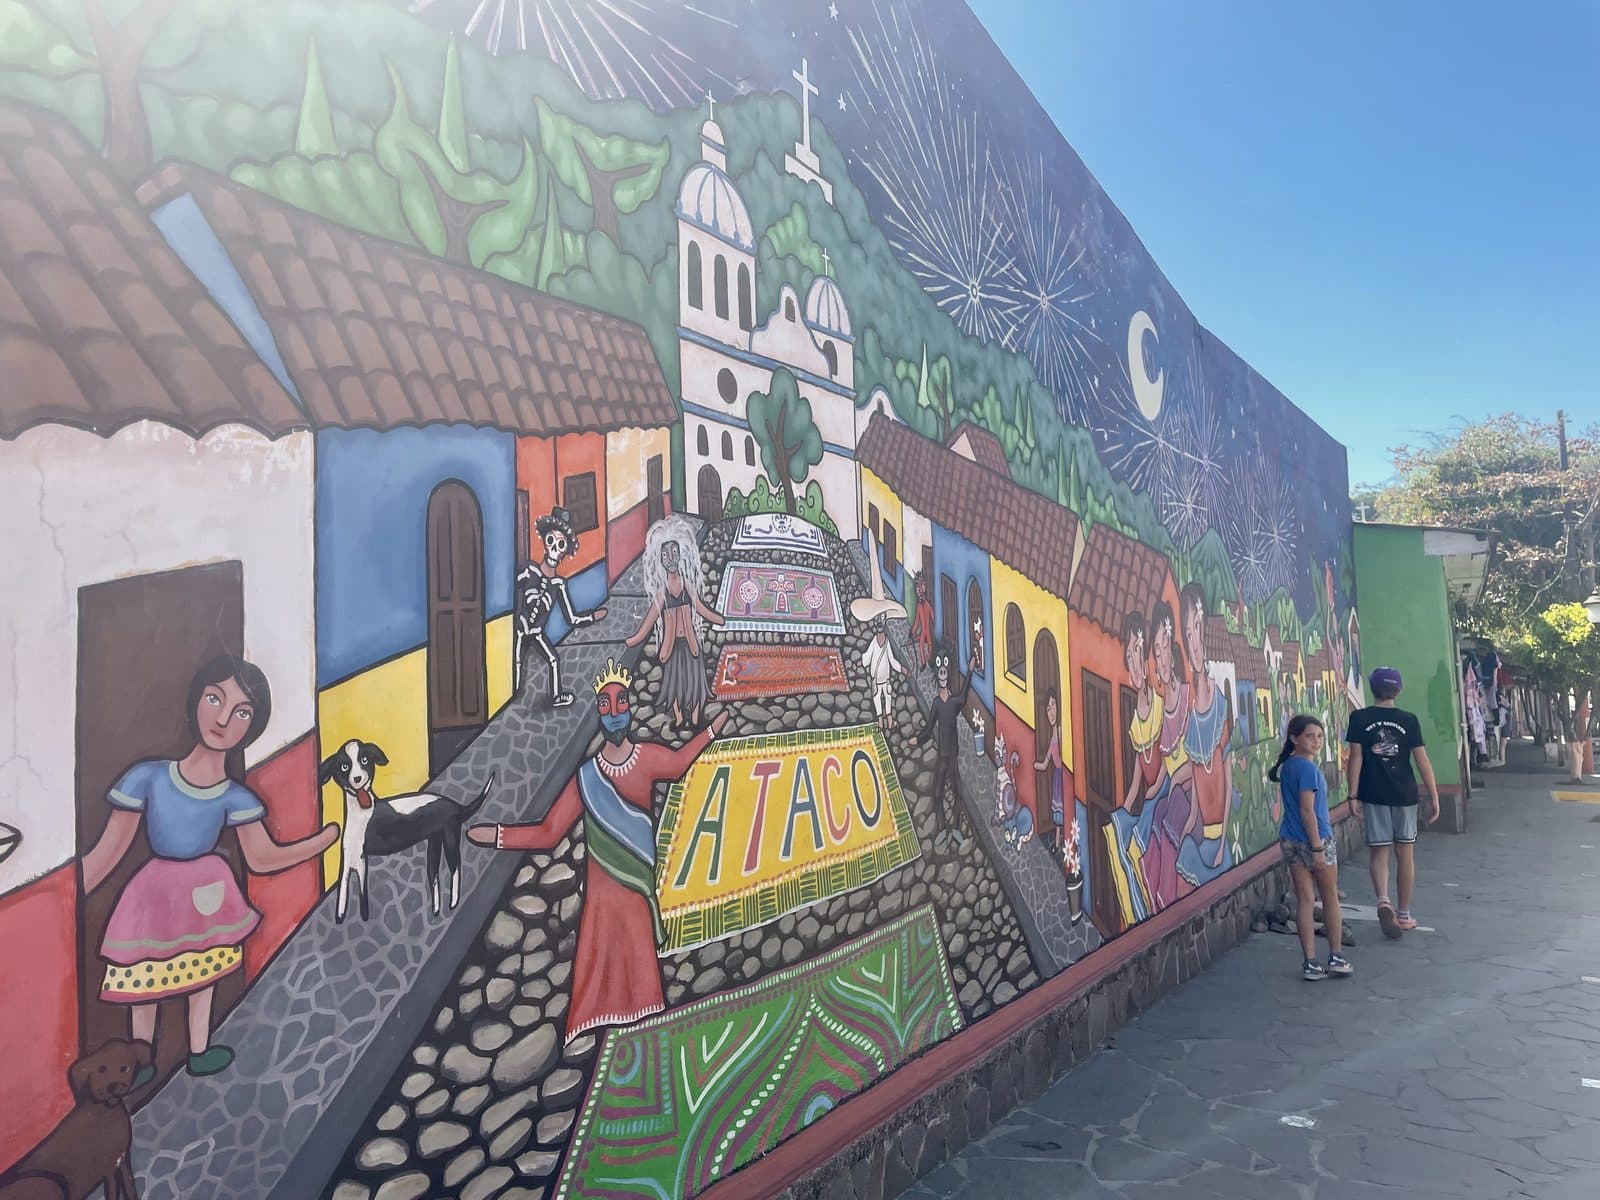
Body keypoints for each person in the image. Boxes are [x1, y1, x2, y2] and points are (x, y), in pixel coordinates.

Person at [80, 655, 340, 1080]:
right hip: (152, 895)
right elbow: (107, 853)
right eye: (214, 699)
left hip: (207, 893)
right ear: (194, 702)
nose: (223, 718)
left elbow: (262, 858)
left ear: (251, 728)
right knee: (144, 973)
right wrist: (67, 900)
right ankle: (141, 1055)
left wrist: (323, 841)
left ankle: (198, 1049)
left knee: (203, 971)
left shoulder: (236, 797)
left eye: (241, 711)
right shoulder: (147, 777)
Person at [469, 660, 730, 1041]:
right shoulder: (588, 777)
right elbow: (549, 832)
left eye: (620, 702)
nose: (614, 712)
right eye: (605, 706)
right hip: (602, 897)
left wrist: (708, 732)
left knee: (640, 974)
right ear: (598, 713)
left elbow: (676, 766)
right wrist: (497, 836)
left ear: (629, 706)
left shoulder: (646, 759)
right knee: (598, 964)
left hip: (636, 888)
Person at [1346, 666, 1440, 939]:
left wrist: (1352, 795)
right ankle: (1404, 913)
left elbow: (1356, 758)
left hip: (1373, 792)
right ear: (1398, 690)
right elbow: (1421, 760)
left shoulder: (1359, 718)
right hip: (1405, 794)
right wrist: (1433, 794)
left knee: (1379, 850)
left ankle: (1383, 899)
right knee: (1405, 854)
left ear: (1372, 689)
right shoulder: (1408, 720)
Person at [1270, 714, 1352, 981]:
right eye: (1309, 736)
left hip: (1291, 840)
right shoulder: (1308, 770)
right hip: (1315, 840)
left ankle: (1310, 962)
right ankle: (1336, 956)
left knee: (1306, 899)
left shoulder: (1289, 766)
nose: (1316, 741)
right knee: (1329, 897)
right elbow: (1308, 811)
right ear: (1295, 738)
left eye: (1319, 736)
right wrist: (1317, 848)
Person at [625, 516, 724, 727]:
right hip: (672, 646)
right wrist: (635, 638)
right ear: (659, 559)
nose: (670, 558)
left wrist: (720, 619)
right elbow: (651, 617)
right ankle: (679, 716)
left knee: (696, 681)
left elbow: (700, 607)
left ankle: (696, 716)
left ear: (681, 555)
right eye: (665, 554)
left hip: (690, 644)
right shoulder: (662, 591)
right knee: (674, 683)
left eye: (674, 553)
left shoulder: (687, 584)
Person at [515, 506, 609, 706]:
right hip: (520, 629)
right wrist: (518, 617)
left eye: (561, 545)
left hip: (537, 632)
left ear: (564, 552)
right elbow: (512, 590)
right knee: (515, 664)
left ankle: (556, 696)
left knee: (553, 659)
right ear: (545, 543)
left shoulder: (558, 585)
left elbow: (572, 619)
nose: (555, 550)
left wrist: (592, 617)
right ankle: (511, 697)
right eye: (552, 541)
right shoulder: (530, 570)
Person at [909, 642, 980, 850]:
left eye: (944, 666)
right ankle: (941, 829)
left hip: (953, 755)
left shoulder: (954, 701)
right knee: (938, 792)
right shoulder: (937, 704)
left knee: (957, 792)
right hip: (942, 755)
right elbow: (930, 727)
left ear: (947, 672)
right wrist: (918, 739)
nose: (942, 671)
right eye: (939, 666)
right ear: (936, 671)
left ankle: (955, 827)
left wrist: (971, 671)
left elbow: (964, 695)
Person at [862, 613, 911, 732]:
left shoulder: (887, 642)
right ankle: (880, 722)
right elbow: (867, 657)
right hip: (876, 679)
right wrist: (863, 661)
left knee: (888, 697)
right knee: (876, 698)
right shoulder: (873, 642)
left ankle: (889, 720)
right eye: (877, 620)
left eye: (881, 620)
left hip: (886, 678)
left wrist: (902, 669)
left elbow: (892, 660)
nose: (879, 623)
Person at [909, 573, 935, 669]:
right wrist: (911, 632)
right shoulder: (919, 606)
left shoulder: (927, 604)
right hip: (923, 632)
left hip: (928, 631)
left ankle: (930, 660)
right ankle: (923, 663)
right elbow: (916, 622)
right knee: (921, 645)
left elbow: (933, 616)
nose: (919, 589)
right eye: (917, 586)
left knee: (930, 645)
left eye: (921, 584)